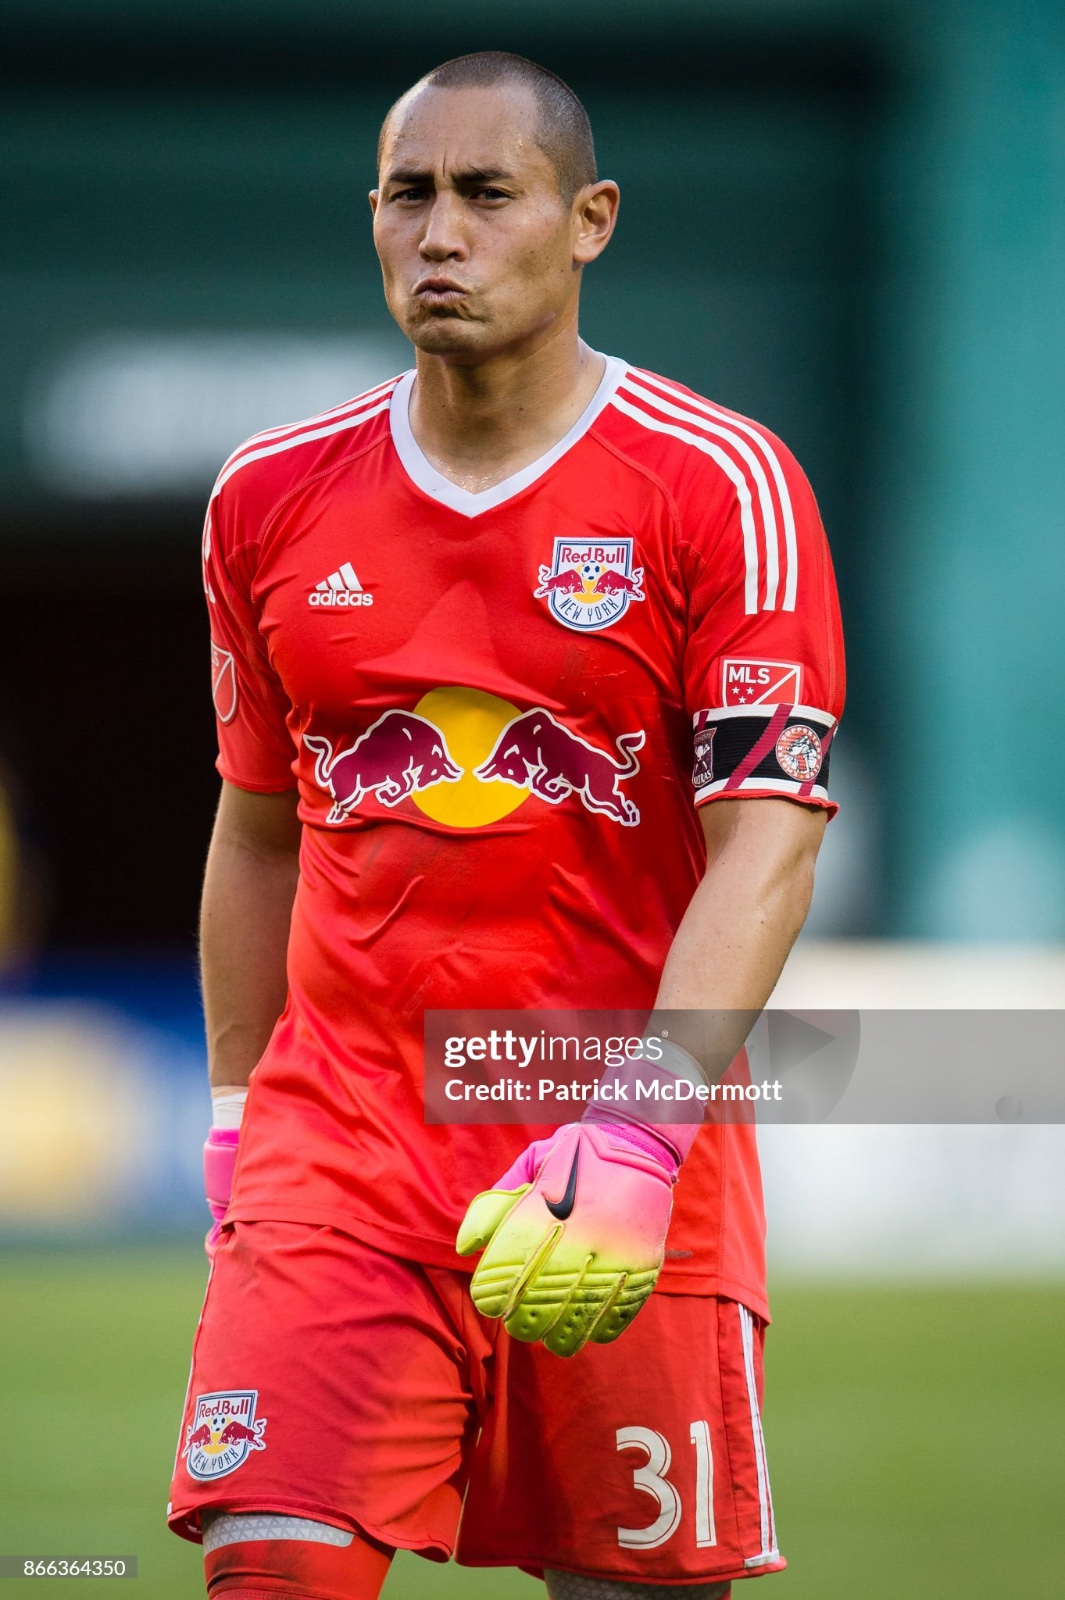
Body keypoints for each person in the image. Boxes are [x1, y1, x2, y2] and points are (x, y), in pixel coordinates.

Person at [168, 50, 845, 1600]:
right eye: (409, 195)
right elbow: (259, 830)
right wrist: (229, 1119)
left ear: (588, 219)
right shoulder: (267, 496)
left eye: (488, 194)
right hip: (339, 1152)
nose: (440, 234)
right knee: (269, 1569)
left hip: (622, 1149)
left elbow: (767, 842)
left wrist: (641, 1127)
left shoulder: (717, 484)